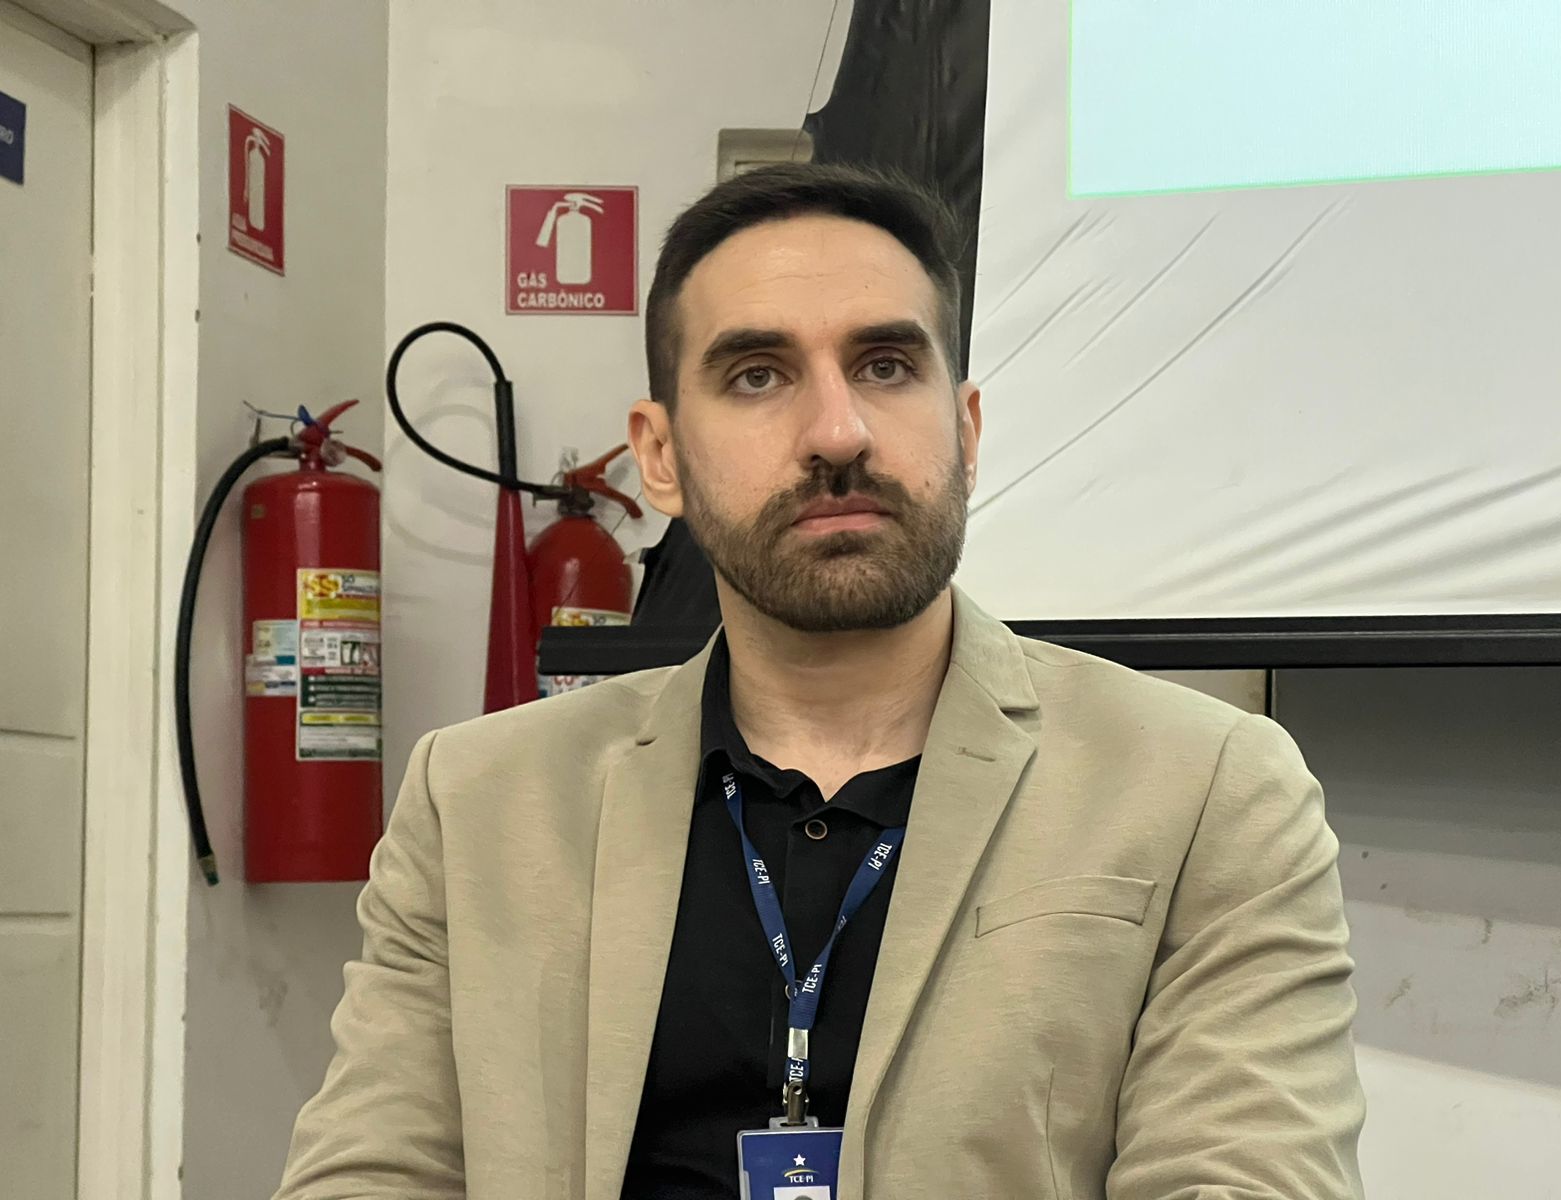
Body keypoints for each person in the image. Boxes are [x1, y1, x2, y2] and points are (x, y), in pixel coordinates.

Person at [274, 163, 1364, 1200]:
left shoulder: (1203, 790)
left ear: (966, 429)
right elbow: (372, 1173)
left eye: (886, 365)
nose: (838, 433)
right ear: (660, 456)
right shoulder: (477, 804)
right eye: (758, 375)